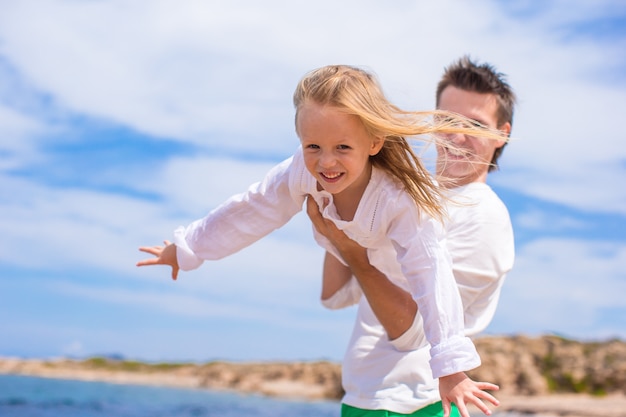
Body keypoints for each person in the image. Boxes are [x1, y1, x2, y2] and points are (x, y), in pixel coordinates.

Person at [137, 64, 505, 416]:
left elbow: (431, 276)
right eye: (313, 146)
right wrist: (186, 248)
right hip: (366, 393)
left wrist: (451, 367)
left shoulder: (404, 202)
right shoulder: (302, 170)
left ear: (374, 141)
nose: (326, 162)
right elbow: (251, 211)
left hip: (412, 402)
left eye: (342, 147)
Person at [307, 56, 516, 417]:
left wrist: (352, 251)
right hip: (363, 397)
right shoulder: (404, 197)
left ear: (502, 134)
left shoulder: (485, 215)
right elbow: (334, 295)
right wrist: (340, 204)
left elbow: (415, 334)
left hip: (416, 404)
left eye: (475, 124)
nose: (458, 135)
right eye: (447, 120)